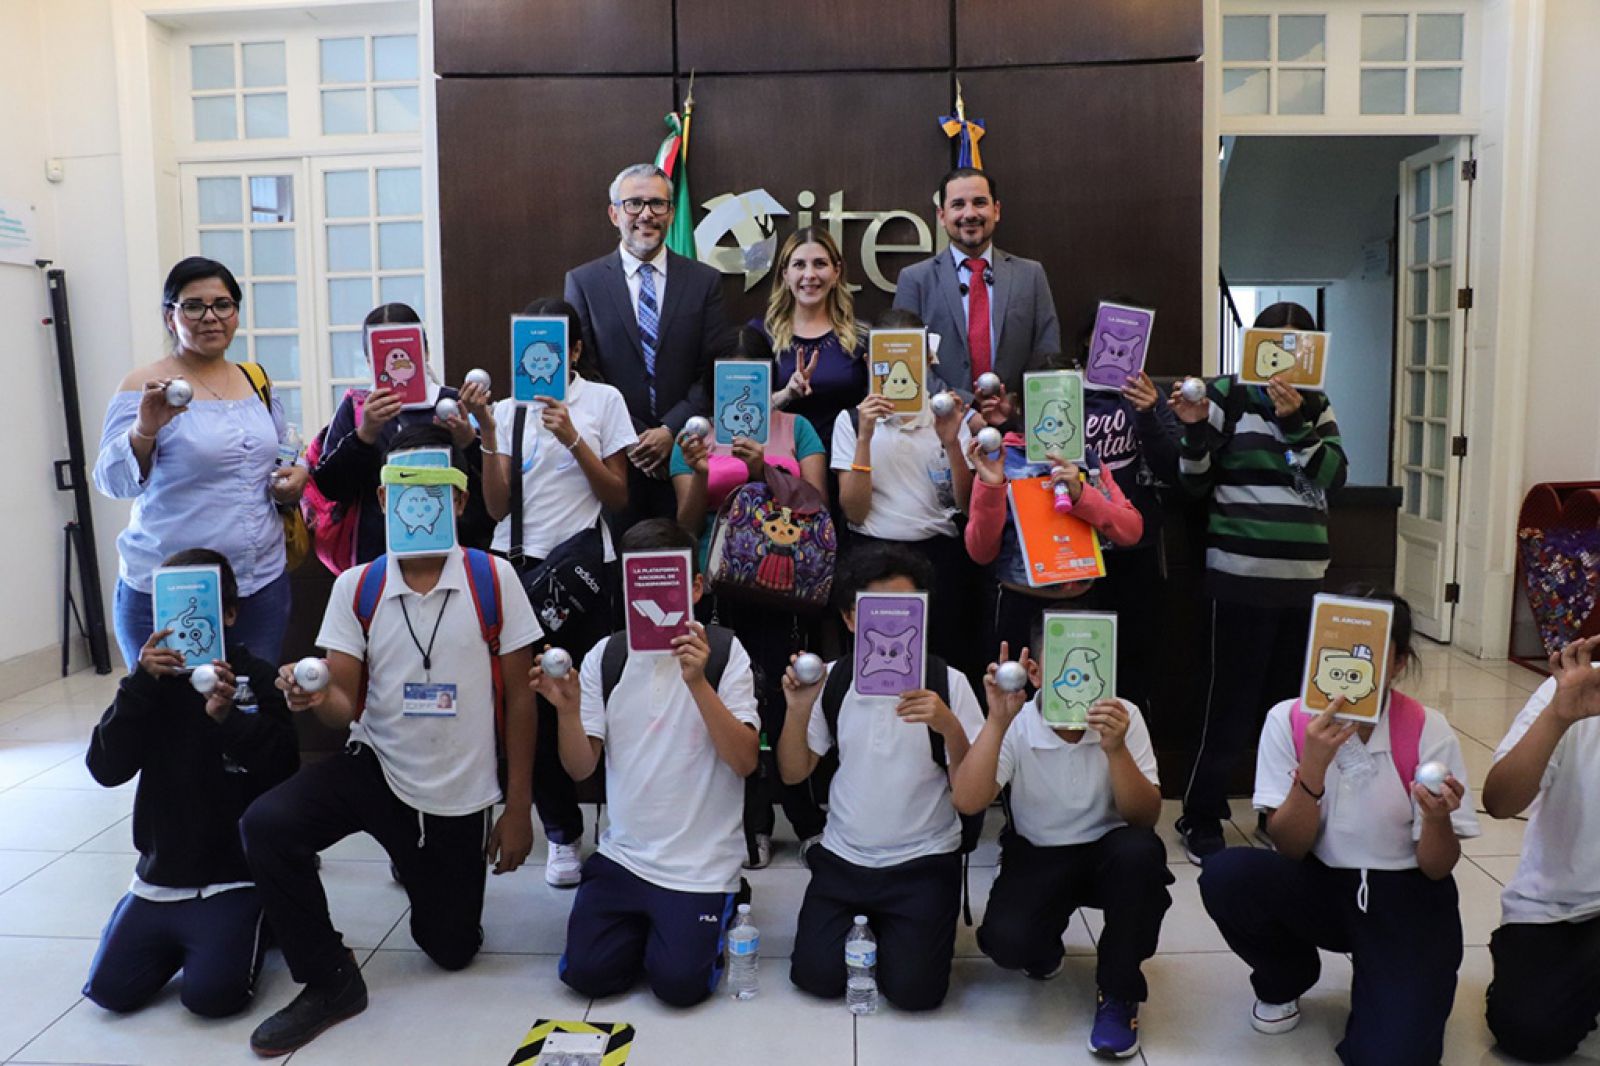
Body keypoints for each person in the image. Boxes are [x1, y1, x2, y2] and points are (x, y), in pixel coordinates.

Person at [240, 425, 540, 1056]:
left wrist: (517, 809)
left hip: (458, 791)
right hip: (376, 767)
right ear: (382, 499)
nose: (419, 502)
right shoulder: (358, 586)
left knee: (450, 949)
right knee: (266, 824)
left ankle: (419, 862)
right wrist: (317, 697)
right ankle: (329, 977)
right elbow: (342, 707)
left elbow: (520, 700)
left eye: (435, 489)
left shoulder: (494, 579)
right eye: (404, 488)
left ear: (459, 500)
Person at [1197, 593, 1479, 1066]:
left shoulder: (1427, 728)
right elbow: (1290, 846)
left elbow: (1437, 867)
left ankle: (1392, 987)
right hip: (1320, 883)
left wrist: (1436, 817)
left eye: (1369, 652)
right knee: (1227, 874)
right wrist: (1312, 768)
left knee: (1393, 1057)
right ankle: (1286, 976)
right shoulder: (1288, 719)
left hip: (1405, 893)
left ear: (1397, 664)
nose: (1349, 668)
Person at [539, 519, 760, 1008]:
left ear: (695, 588)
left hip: (700, 866)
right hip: (625, 856)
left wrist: (698, 681)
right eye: (639, 583)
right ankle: (652, 926)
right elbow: (580, 768)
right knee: (585, 975)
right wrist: (568, 711)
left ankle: (720, 904)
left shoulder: (725, 653)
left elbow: (745, 761)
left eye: (669, 583)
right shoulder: (606, 656)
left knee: (679, 986)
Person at [82, 548, 298, 1018]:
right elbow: (105, 768)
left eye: (205, 607)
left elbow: (284, 768)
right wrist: (139, 685)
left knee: (211, 998)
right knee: (110, 992)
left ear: (231, 613)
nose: (186, 623)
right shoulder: (149, 687)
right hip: (162, 876)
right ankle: (156, 927)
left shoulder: (257, 677)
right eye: (171, 611)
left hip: (234, 876)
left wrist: (229, 720)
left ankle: (263, 915)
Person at [1173, 302, 1349, 863]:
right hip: (1239, 578)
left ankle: (1278, 812)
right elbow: (1193, 484)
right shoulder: (1226, 395)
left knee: (1292, 711)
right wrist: (1194, 431)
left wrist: (1295, 422)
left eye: (1300, 345)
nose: (1286, 356)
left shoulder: (1315, 403)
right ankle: (1201, 815)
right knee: (1227, 706)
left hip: (1304, 584)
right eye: (1276, 342)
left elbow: (1333, 477)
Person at [468, 296, 635, 888]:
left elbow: (619, 496)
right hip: (518, 570)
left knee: (594, 698)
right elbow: (494, 508)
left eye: (554, 348)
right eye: (530, 349)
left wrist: (573, 439)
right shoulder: (506, 408)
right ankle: (562, 833)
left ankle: (623, 827)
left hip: (584, 572)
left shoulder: (602, 401)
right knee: (529, 705)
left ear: (576, 350)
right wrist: (489, 432)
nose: (540, 360)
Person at [778, 542, 984, 1012]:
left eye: (906, 609)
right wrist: (797, 709)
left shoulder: (948, 682)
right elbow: (793, 771)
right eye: (876, 609)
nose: (892, 620)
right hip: (844, 855)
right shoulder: (832, 678)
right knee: (814, 977)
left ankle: (908, 925)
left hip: (924, 859)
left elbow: (972, 793)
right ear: (851, 619)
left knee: (915, 993)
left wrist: (948, 725)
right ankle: (874, 923)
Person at [953, 637, 1171, 1059]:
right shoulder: (1016, 719)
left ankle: (1119, 992)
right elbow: (966, 800)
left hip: (1111, 853)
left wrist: (1116, 749)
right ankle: (1045, 944)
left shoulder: (1123, 715)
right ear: (1034, 673)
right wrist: (996, 722)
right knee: (1007, 942)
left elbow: (1145, 816)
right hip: (1039, 851)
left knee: (1140, 853)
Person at [93, 256, 308, 668]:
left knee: (251, 701)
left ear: (236, 313)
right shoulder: (143, 385)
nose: (210, 317)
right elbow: (112, 482)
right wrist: (144, 429)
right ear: (170, 317)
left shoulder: (255, 379)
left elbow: (282, 452)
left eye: (222, 305)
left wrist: (295, 477)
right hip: (172, 586)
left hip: (258, 582)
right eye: (193, 306)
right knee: (169, 705)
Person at [671, 325, 830, 870]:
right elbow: (686, 526)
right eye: (729, 377)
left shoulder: (797, 428)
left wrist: (764, 469)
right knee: (737, 705)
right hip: (719, 586)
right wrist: (698, 473)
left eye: (752, 376)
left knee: (788, 700)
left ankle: (807, 820)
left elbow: (816, 508)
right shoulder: (695, 435)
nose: (741, 387)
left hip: (785, 588)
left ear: (768, 378)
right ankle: (752, 824)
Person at [564, 163, 733, 530]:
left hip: (687, 453)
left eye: (657, 204)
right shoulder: (584, 282)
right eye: (634, 204)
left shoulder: (703, 281)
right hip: (614, 457)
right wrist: (633, 435)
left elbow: (714, 369)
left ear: (671, 213)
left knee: (683, 556)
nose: (646, 214)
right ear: (614, 214)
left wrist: (669, 430)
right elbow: (585, 369)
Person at [963, 370, 1145, 661]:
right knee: (1015, 686)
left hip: (1082, 603)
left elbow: (1132, 530)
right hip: (1020, 602)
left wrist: (1082, 495)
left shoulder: (1088, 461)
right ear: (1022, 407)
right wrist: (992, 487)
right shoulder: (1001, 458)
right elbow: (980, 551)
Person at [832, 309, 974, 672]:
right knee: (877, 665)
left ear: (927, 359)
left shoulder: (948, 416)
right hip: (871, 554)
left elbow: (967, 505)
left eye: (911, 356)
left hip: (938, 556)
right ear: (870, 362)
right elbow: (854, 510)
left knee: (938, 666)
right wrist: (865, 438)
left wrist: (952, 443)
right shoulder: (851, 421)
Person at [1481, 635, 1600, 1062]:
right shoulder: (1576, 687)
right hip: (1562, 908)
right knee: (1530, 1031)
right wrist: (1557, 718)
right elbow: (1500, 802)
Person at [307, 303, 494, 569]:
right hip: (377, 556)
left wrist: (467, 442)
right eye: (381, 350)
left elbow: (492, 485)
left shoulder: (454, 403)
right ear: (369, 360)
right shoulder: (357, 407)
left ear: (425, 350)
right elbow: (330, 487)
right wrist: (364, 435)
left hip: (453, 550)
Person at [1077, 348, 1182, 722]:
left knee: (1136, 657)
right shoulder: (1064, 391)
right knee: (1081, 655)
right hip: (1076, 550)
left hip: (1138, 546)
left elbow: (1173, 468)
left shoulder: (1148, 395)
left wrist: (1147, 412)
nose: (1116, 351)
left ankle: (1133, 740)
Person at [892, 167, 1061, 397]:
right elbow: (904, 359)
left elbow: (1046, 354)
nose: (970, 214)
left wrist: (1013, 406)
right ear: (942, 216)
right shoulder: (915, 279)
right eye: (958, 205)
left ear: (996, 210)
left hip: (1014, 416)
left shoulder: (1030, 275)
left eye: (980, 203)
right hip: (942, 415)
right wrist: (964, 408)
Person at [761, 226, 868, 466]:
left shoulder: (861, 339)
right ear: (785, 274)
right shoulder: (761, 335)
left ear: (836, 272)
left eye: (820, 264)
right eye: (799, 265)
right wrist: (786, 395)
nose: (810, 274)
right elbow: (743, 411)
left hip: (845, 467)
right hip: (779, 469)